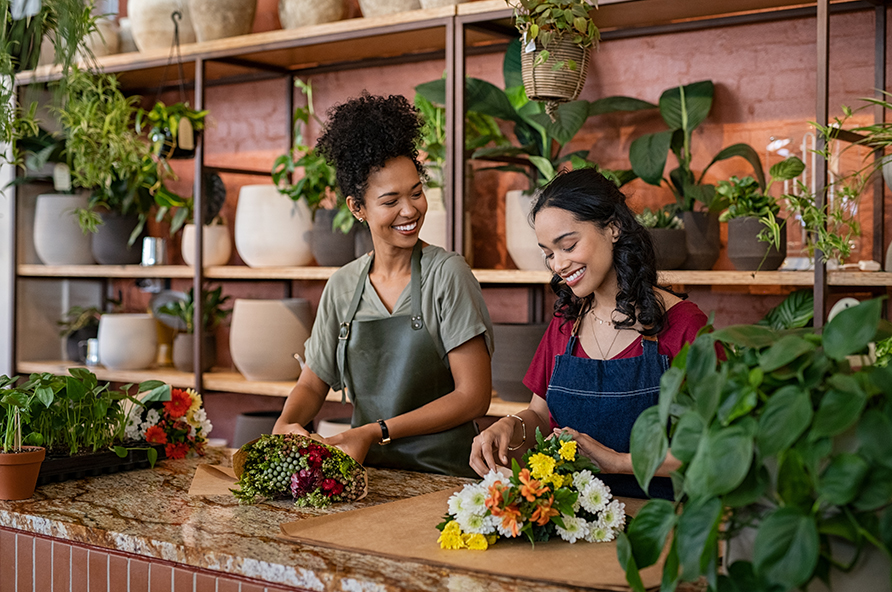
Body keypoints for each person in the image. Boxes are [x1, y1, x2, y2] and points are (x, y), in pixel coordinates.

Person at [273, 92, 494, 479]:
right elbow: (312, 383)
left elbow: (473, 397)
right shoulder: (342, 287)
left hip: (445, 477)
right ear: (357, 208)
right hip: (371, 476)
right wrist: (285, 426)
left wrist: (375, 432)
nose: (409, 210)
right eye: (390, 200)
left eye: (416, 192)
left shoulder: (448, 275)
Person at [469, 168, 707, 498]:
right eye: (549, 253)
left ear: (613, 227)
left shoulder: (684, 326)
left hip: (656, 522)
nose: (558, 264)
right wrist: (511, 426)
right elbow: (540, 413)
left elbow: (714, 446)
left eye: (568, 245)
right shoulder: (566, 324)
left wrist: (620, 461)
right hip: (569, 518)